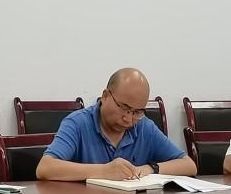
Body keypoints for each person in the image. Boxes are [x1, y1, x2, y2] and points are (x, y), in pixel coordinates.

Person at [36, 69, 197, 181]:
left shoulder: (144, 127)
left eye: (137, 112)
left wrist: (150, 168)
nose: (128, 119)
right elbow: (45, 168)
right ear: (105, 96)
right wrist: (104, 171)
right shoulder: (78, 123)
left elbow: (189, 165)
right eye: (124, 108)